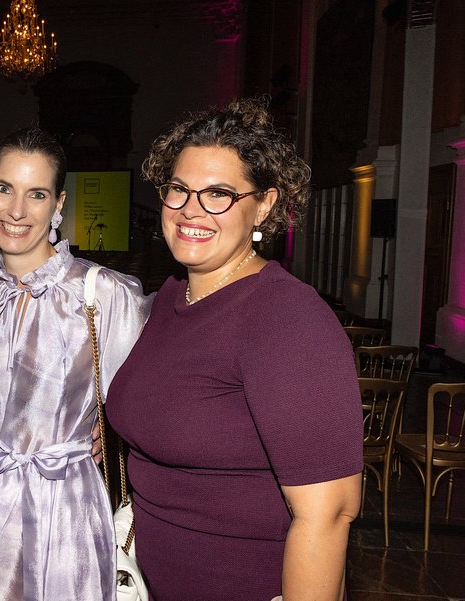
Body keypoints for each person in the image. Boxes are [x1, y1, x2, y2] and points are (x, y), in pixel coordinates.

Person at [106, 99, 363, 601]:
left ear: (264, 205)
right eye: (178, 189)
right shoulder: (170, 298)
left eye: (218, 194)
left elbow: (329, 512)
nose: (191, 210)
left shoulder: (286, 317)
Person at [0, 127, 151, 601]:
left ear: (58, 205)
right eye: (4, 188)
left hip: (66, 507)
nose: (16, 210)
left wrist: (107, 429)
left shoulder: (104, 295)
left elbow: (147, 410)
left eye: (36, 194)